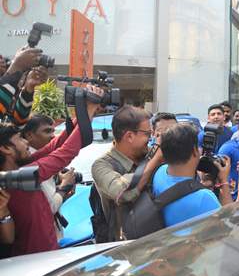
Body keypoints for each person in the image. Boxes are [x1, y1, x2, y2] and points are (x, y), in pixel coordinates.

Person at [0, 84, 103, 256]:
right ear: (6, 148)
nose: (26, 143)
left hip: (45, 254)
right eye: (19, 138)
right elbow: (66, 153)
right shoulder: (20, 176)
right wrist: (90, 109)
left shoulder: (22, 168)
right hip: (34, 262)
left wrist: (83, 111)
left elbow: (58, 145)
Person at [91, 105, 164, 241]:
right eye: (147, 134)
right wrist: (156, 159)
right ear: (129, 136)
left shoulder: (151, 153)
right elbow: (122, 192)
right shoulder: (101, 165)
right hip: (125, 249)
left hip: (156, 240)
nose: (151, 138)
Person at [152, 124, 232, 227]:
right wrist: (224, 181)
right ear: (194, 151)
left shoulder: (160, 172)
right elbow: (228, 221)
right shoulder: (204, 197)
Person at [21, 114, 77, 238]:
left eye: (53, 131)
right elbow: (48, 207)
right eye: (47, 131)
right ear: (29, 135)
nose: (52, 136)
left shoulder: (41, 158)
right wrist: (63, 189)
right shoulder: (32, 165)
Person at [0, 48, 48, 125]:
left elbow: (18, 122)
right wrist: (17, 66)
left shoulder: (10, 91)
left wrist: (29, 89)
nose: (2, 61)